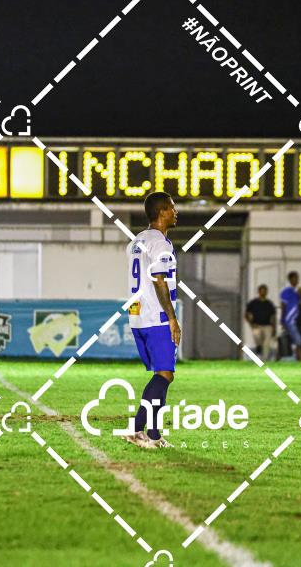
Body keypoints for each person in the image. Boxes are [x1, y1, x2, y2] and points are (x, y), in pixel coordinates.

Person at [122, 191, 180, 449]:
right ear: (162, 212)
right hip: (156, 318)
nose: (176, 212)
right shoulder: (160, 244)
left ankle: (154, 435)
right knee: (165, 375)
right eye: (172, 208)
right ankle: (136, 429)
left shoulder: (135, 241)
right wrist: (172, 318)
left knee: (161, 374)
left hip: (138, 316)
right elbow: (159, 280)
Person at [245, 284, 276, 360]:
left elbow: (273, 317)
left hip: (267, 326)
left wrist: (274, 328)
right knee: (256, 335)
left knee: (267, 343)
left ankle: (264, 359)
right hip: (257, 325)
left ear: (266, 292)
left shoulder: (269, 304)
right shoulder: (253, 303)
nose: (263, 292)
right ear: (259, 292)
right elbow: (246, 314)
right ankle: (259, 346)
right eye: (262, 291)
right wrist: (251, 324)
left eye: (265, 291)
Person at [280, 271, 301, 360]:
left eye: (297, 278)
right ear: (290, 279)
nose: (297, 280)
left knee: (294, 342)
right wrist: (283, 320)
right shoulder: (286, 291)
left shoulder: (295, 293)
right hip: (289, 321)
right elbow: (283, 306)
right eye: (295, 278)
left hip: (294, 321)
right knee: (299, 342)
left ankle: (276, 360)